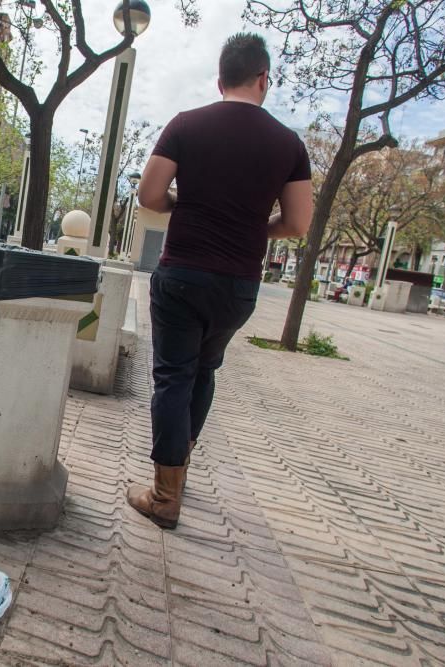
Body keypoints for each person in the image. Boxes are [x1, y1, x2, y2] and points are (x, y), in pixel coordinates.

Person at [127, 33, 314, 529]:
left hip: (183, 273)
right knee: (203, 373)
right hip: (237, 286)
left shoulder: (186, 125)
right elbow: (297, 224)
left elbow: (149, 195)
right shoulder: (289, 144)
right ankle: (178, 470)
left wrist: (181, 206)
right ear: (263, 79)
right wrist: (258, 226)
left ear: (220, 79)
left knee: (172, 377)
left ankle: (166, 496)